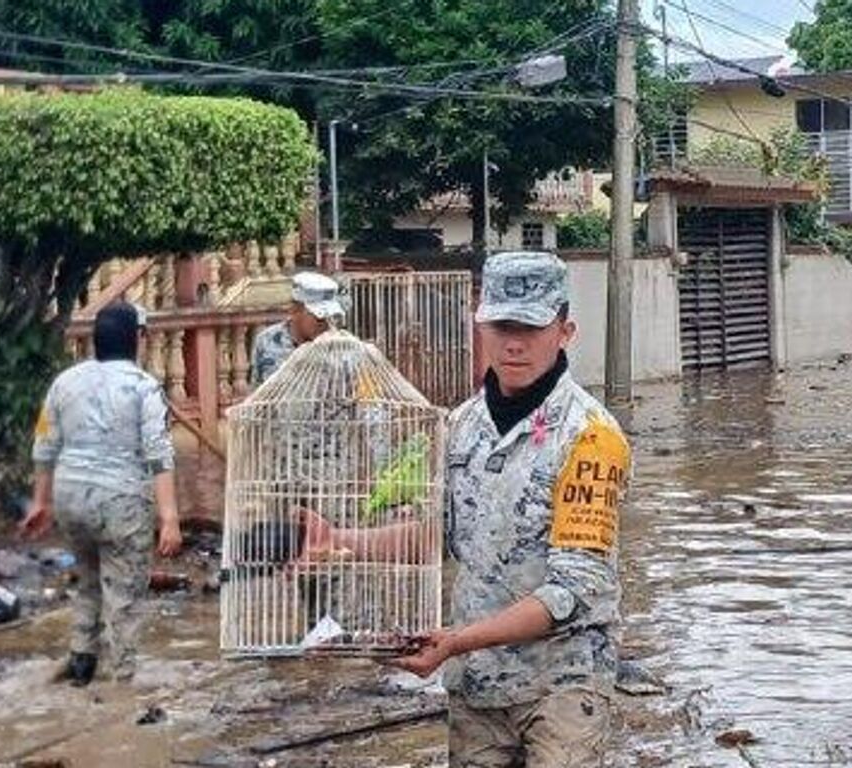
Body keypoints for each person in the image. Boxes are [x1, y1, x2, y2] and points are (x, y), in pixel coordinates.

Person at [304, 252, 630, 767]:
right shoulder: (461, 425)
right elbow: (443, 533)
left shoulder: (591, 437)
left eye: (530, 326)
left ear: (565, 331)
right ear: (480, 325)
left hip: (563, 684)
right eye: (501, 325)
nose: (513, 342)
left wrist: (454, 641)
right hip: (477, 686)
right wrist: (343, 540)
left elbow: (572, 591)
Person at [20, 301, 182, 687]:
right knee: (124, 591)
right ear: (137, 339)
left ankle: (81, 659)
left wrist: (40, 502)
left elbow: (44, 444)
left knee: (88, 578)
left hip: (70, 498)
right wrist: (170, 519)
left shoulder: (64, 382)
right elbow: (159, 455)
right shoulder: (144, 387)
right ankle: (122, 680)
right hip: (120, 502)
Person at [252, 271, 348, 385]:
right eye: (319, 317)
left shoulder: (339, 348)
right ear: (295, 310)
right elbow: (258, 391)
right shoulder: (267, 341)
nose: (326, 324)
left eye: (331, 317)